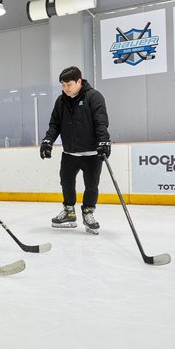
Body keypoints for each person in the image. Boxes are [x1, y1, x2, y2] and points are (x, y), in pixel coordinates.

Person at [39, 66, 111, 235]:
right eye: (63, 85)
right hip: (70, 153)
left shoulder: (94, 97)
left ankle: (88, 213)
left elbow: (101, 121)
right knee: (66, 182)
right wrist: (48, 140)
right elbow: (54, 124)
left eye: (69, 85)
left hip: (91, 154)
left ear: (79, 81)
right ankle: (69, 211)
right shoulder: (61, 101)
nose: (66, 89)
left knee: (91, 186)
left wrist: (104, 141)